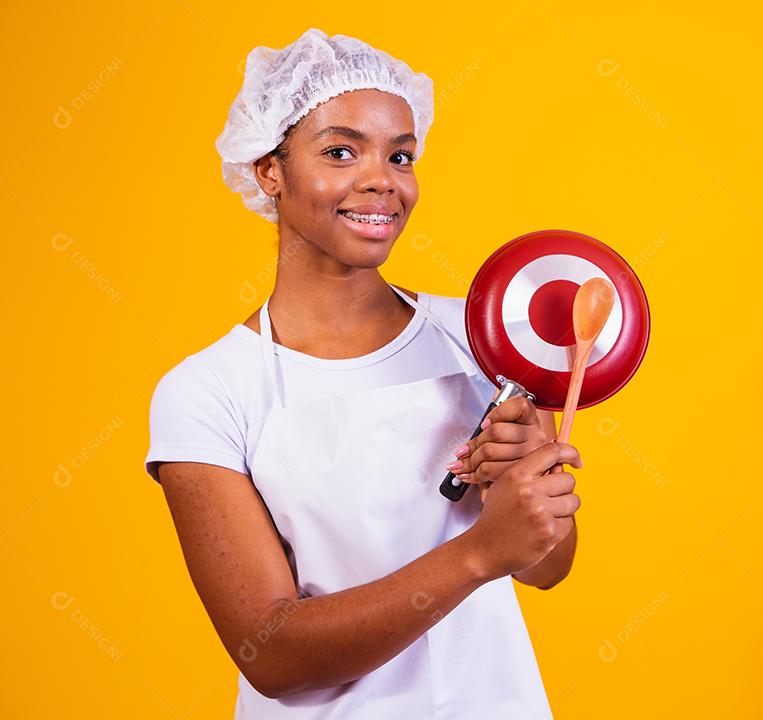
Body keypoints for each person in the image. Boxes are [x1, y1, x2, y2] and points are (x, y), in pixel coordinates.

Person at [144, 28, 581, 718]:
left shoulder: (483, 332)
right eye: (341, 151)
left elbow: (548, 566)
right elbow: (270, 652)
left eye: (400, 155)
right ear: (268, 169)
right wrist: (476, 552)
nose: (382, 179)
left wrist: (523, 496)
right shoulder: (208, 393)